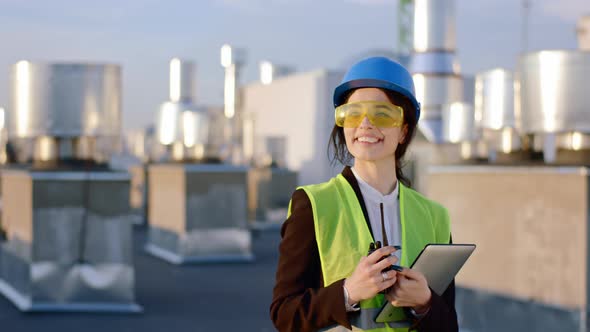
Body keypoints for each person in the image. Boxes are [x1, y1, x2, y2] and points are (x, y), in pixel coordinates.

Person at [270, 57, 458, 332]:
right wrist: (348, 292)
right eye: (353, 113)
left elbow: (449, 325)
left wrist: (425, 302)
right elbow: (284, 314)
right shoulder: (313, 205)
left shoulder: (434, 216)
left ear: (404, 130)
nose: (366, 124)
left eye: (382, 114)